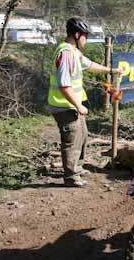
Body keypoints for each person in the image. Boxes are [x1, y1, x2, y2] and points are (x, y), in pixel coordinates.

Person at [48, 17, 119, 187]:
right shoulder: (66, 54)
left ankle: (77, 167)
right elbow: (64, 85)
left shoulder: (74, 52)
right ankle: (71, 176)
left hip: (71, 105)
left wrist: (111, 70)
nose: (86, 40)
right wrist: (79, 105)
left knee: (83, 135)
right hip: (65, 106)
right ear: (77, 35)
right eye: (85, 36)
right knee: (72, 140)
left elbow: (90, 65)